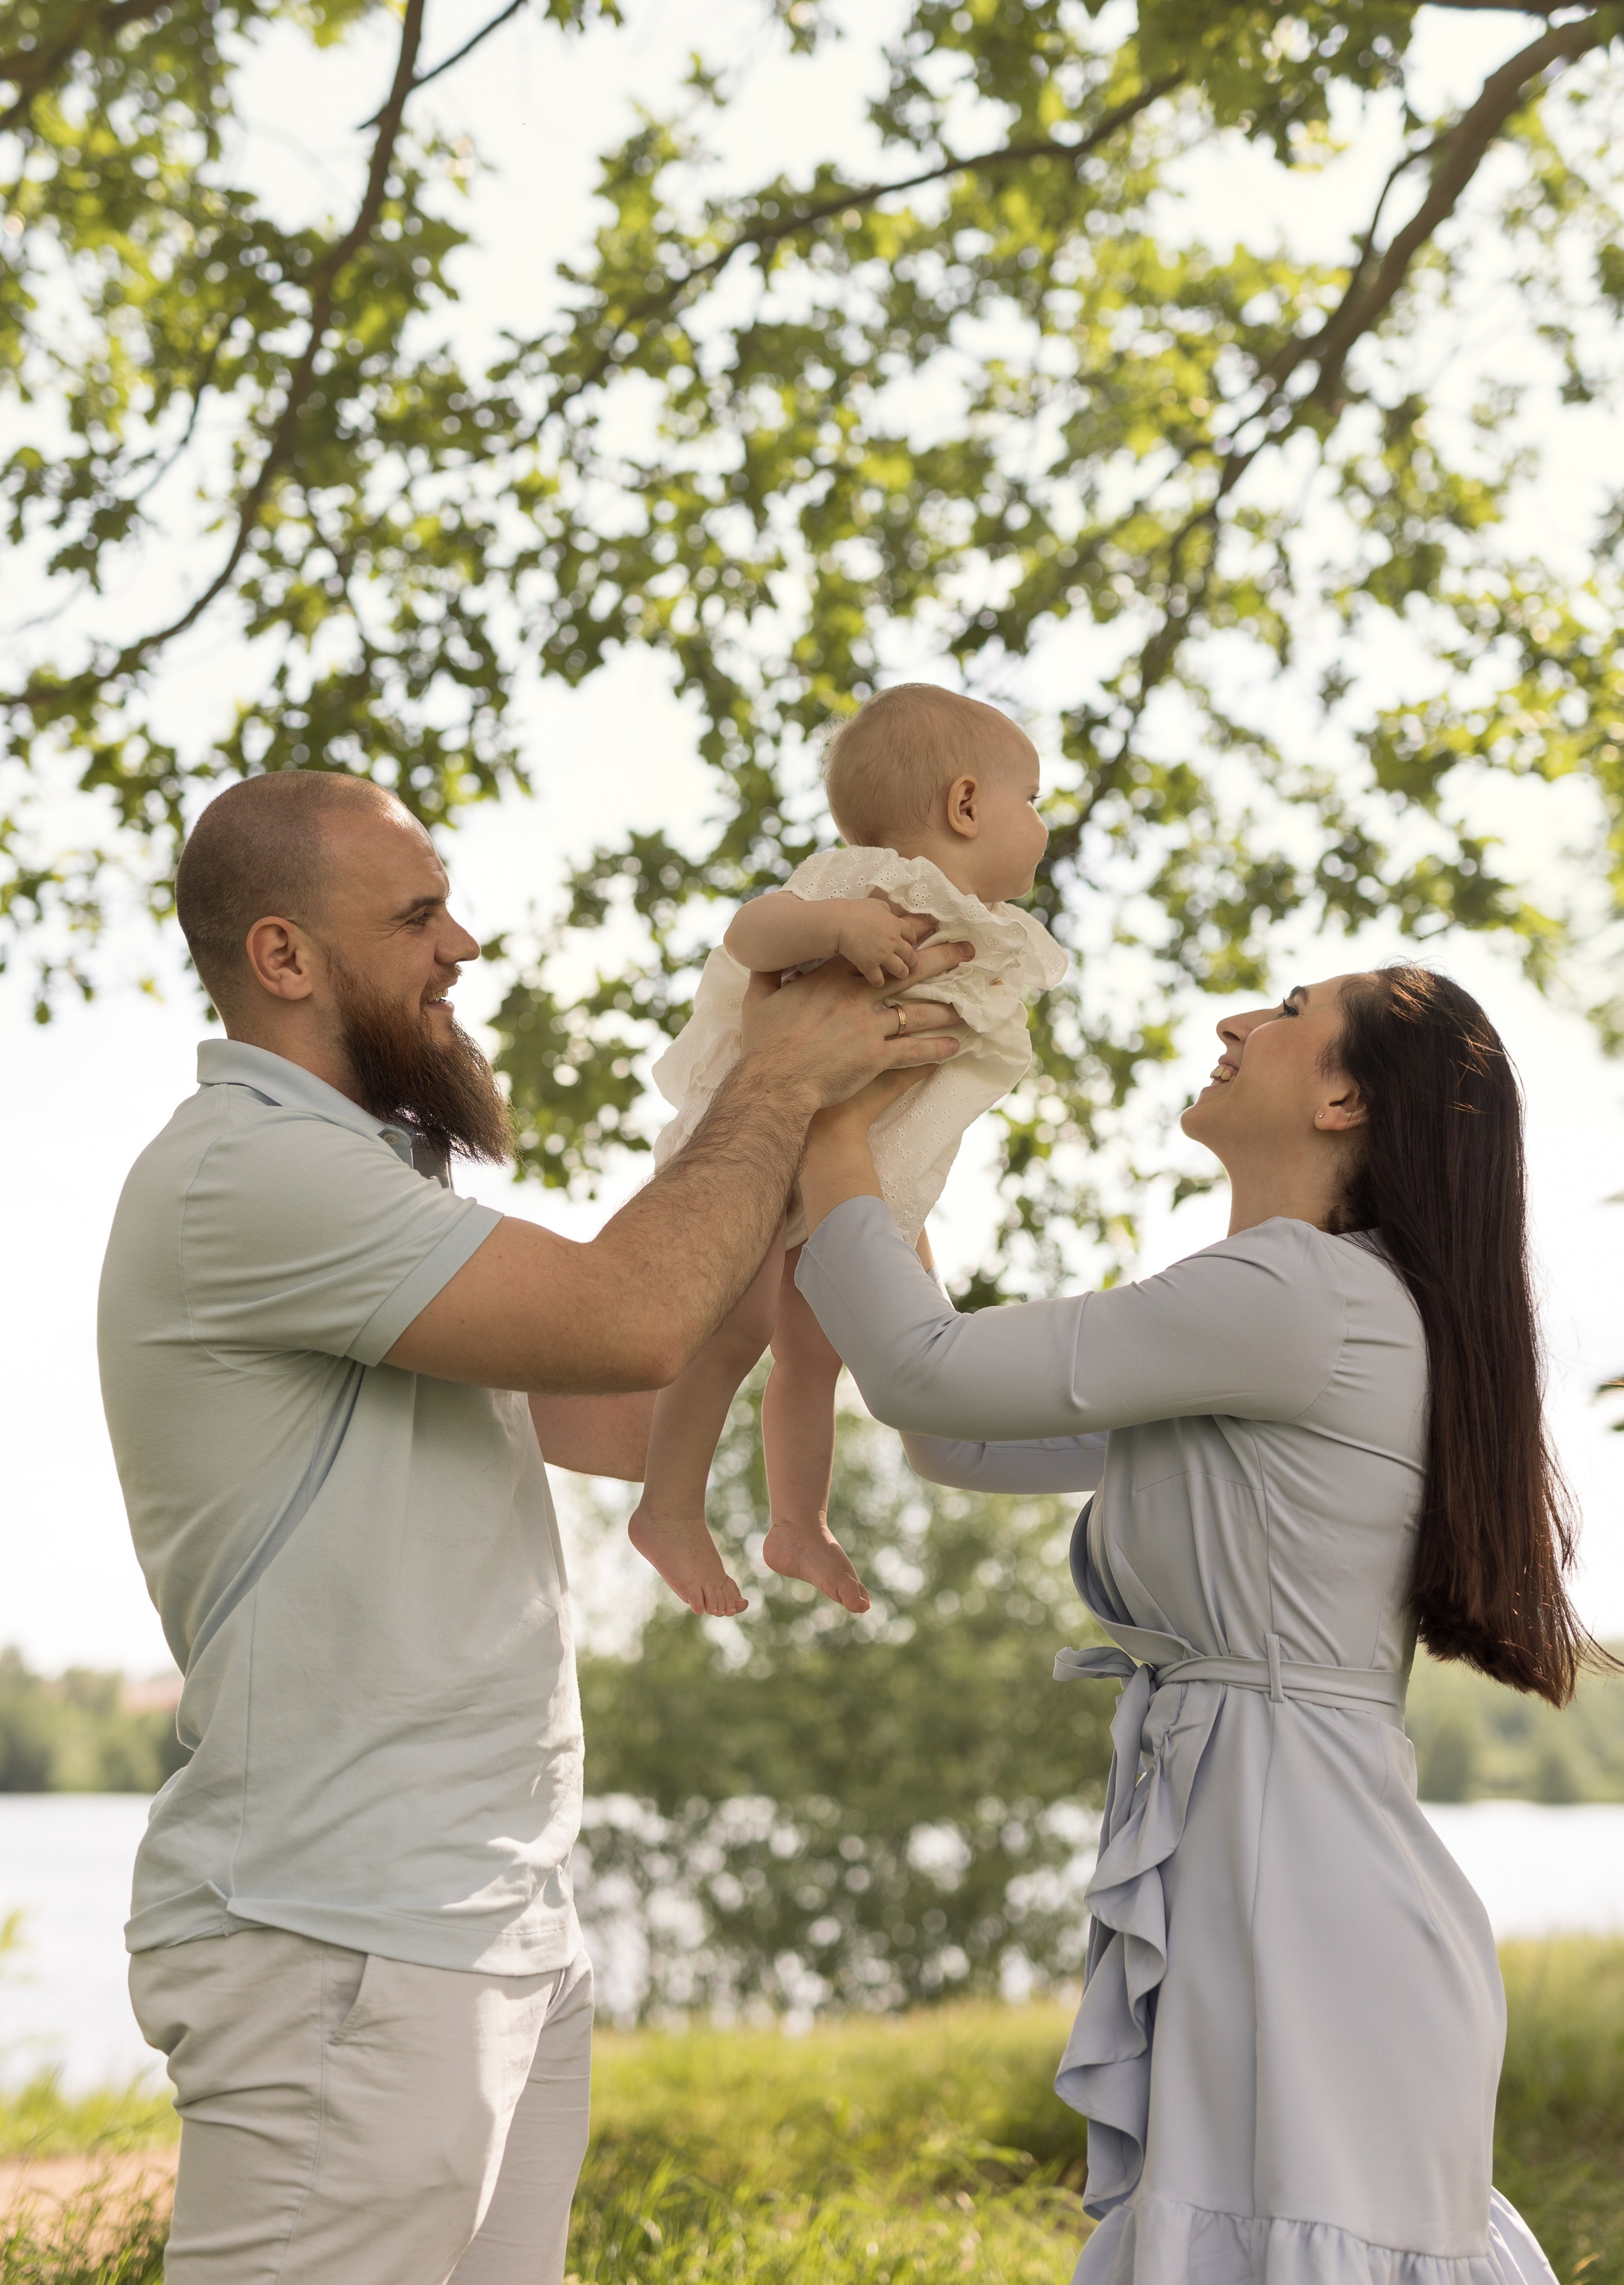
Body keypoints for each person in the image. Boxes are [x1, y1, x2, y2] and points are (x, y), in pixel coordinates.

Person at [96, 767, 967, 2285]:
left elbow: (623, 1410)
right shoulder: (252, 1169)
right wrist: (767, 1087)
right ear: (286, 958)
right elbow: (628, 1319)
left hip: (484, 1910)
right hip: (343, 1930)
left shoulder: (370, 1187)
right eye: (419, 913)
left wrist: (826, 1181)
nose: (463, 946)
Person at [790, 964, 1583, 2285]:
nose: (1231, 1022)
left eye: (1281, 1008)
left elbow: (921, 1368)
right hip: (1282, 1851)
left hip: (1293, 1879)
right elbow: (953, 1425)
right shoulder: (1290, 1300)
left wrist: (820, 1122)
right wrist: (878, 1157)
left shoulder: (1298, 1296)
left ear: (1342, 1095)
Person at [631, 683, 1064, 1618]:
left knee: (821, 1350)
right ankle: (667, 1510)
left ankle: (799, 1522)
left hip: (860, 1170)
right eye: (1032, 798)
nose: (1041, 822)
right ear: (964, 804)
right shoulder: (860, 883)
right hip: (764, 1146)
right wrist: (832, 929)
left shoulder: (990, 932)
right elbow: (748, 933)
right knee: (732, 1331)